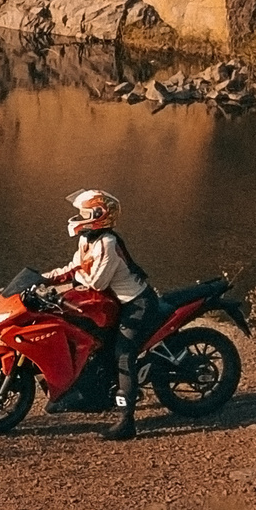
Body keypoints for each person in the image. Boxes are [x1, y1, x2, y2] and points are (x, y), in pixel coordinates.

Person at [38, 188, 157, 441]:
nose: (78, 217)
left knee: (122, 355)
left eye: (84, 212)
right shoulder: (87, 239)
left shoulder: (108, 243)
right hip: (112, 303)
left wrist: (73, 276)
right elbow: (75, 267)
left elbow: (97, 282)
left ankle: (127, 422)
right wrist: (44, 278)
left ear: (99, 215)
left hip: (135, 304)